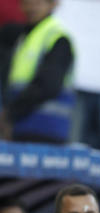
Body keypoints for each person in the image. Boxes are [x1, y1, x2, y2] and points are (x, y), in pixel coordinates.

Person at [0, 0, 75, 143]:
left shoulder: (58, 38)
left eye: (37, 3)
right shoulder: (23, 37)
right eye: (27, 3)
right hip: (21, 128)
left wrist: (10, 113)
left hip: (46, 131)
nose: (31, 8)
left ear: (52, 5)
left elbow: (48, 85)